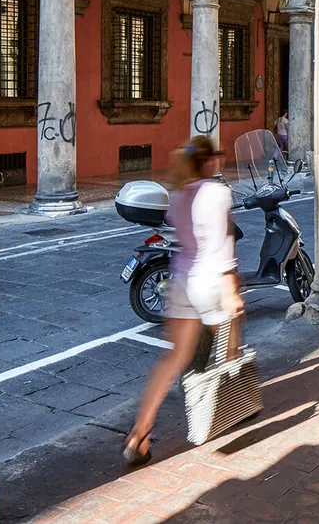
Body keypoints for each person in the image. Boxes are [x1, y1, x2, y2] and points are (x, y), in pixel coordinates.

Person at [123, 136, 243, 463]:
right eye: (215, 157)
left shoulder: (178, 196)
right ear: (209, 162)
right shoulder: (218, 193)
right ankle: (226, 407)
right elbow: (220, 246)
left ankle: (140, 432)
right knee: (229, 352)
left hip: (181, 282)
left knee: (173, 359)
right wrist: (231, 288)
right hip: (209, 282)